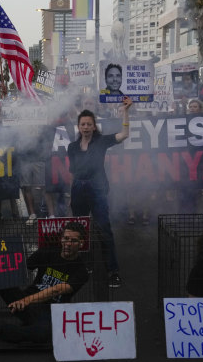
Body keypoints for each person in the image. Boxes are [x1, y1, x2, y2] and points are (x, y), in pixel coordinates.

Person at [0, 222, 89, 345]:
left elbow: (58, 290)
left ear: (81, 243)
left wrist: (26, 300)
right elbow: (19, 269)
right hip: (24, 304)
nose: (68, 243)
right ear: (61, 239)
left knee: (41, 335)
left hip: (49, 312)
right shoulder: (47, 252)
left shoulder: (81, 270)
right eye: (66, 238)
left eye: (73, 241)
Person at [68, 97, 132, 288]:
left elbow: (124, 134)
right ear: (79, 127)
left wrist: (126, 112)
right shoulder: (72, 147)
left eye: (89, 124)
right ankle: (84, 265)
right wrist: (71, 195)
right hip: (78, 188)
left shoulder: (102, 142)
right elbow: (73, 173)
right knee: (80, 228)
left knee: (104, 229)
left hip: (97, 188)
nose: (86, 127)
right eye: (83, 124)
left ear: (94, 127)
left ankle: (113, 271)